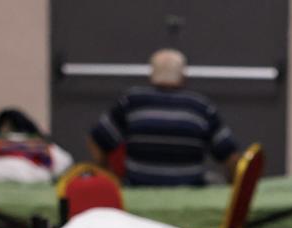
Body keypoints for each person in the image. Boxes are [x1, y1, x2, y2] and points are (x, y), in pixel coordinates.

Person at [88, 49, 240, 186]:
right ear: (183, 76)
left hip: (137, 189)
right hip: (189, 192)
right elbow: (232, 157)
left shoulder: (132, 101)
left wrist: (108, 179)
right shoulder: (200, 106)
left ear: (152, 74)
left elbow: (97, 141)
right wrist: (231, 185)